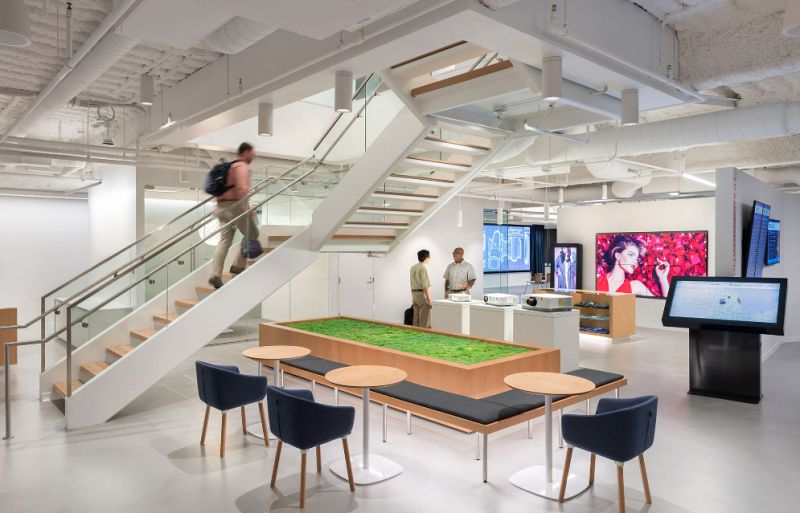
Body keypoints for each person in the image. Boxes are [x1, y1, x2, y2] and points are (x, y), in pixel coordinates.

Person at [208, 142, 260, 289]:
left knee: (224, 241)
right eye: (252, 152)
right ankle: (238, 265)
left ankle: (215, 275)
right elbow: (241, 189)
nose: (254, 155)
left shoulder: (230, 167)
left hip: (220, 207)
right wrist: (247, 209)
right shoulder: (241, 166)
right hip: (234, 206)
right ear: (245, 152)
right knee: (253, 233)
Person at [596, 235, 670, 296]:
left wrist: (663, 278)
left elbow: (664, 305)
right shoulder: (597, 279)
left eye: (637, 259)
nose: (635, 262)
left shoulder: (636, 286)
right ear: (618, 255)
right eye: (631, 255)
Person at [410, 249, 432, 328]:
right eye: (429, 257)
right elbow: (425, 285)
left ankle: (414, 332)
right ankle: (423, 333)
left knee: (416, 317)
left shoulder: (413, 267)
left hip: (414, 294)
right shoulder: (423, 268)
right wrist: (429, 299)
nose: (429, 259)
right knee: (424, 318)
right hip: (421, 294)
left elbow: (411, 282)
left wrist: (413, 294)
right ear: (426, 258)